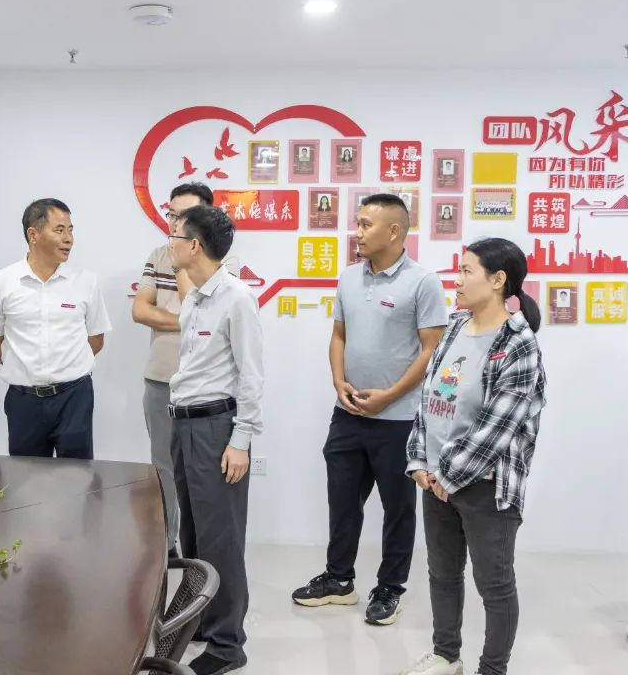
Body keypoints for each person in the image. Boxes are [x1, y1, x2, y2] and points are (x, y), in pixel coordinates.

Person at [292, 193, 447, 626]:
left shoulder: (423, 282)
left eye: (365, 224)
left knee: (398, 510)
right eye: (357, 223)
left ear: (394, 231)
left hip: (399, 420)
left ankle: (390, 587)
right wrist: (338, 380)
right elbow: (338, 335)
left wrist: (390, 394)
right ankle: (339, 579)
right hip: (348, 414)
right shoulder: (348, 278)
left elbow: (432, 351)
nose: (356, 232)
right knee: (342, 502)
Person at [401, 238, 547, 675]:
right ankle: (446, 655)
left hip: (485, 487)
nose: (457, 280)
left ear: (498, 280)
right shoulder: (454, 327)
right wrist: (420, 462)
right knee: (442, 574)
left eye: (467, 271)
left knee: (494, 585)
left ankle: (492, 668)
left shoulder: (519, 345)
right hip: (436, 480)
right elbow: (429, 401)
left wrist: (446, 474)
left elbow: (497, 429)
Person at [166, 205, 261, 675]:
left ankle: (227, 644)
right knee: (194, 533)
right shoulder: (195, 298)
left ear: (195, 245)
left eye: (175, 235)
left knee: (221, 538)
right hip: (183, 424)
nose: (170, 242)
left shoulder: (237, 298)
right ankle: (202, 621)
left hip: (215, 428)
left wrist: (240, 440)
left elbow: (251, 376)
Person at [132, 182, 237, 557]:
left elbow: (192, 302)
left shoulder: (225, 263)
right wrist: (186, 322)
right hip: (160, 377)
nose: (175, 222)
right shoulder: (157, 255)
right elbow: (140, 310)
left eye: (185, 216)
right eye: (172, 214)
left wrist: (183, 263)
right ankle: (167, 545)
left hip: (206, 390)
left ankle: (202, 553)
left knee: (202, 473)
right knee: (163, 467)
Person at [0, 198, 111, 459]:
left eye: (70, 230)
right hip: (23, 400)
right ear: (33, 235)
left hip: (74, 397)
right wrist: (24, 364)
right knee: (25, 477)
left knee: (77, 475)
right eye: (59, 230)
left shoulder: (86, 282)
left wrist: (66, 366)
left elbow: (96, 339)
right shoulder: (1, 282)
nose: (68, 239)